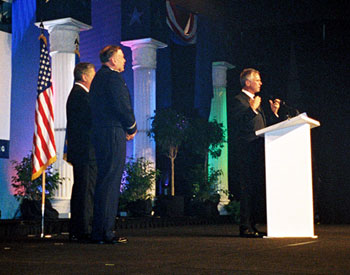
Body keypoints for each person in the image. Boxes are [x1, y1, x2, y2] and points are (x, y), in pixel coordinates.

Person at [89, 45, 137, 244]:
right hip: (112, 133)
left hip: (101, 133)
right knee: (111, 182)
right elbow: (122, 106)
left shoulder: (99, 78)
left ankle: (99, 231)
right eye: (122, 57)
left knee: (104, 182)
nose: (125, 61)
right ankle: (106, 232)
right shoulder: (114, 78)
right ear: (112, 60)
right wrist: (132, 127)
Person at [231, 68, 281, 238]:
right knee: (247, 189)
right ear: (247, 82)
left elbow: (264, 126)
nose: (260, 82)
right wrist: (251, 110)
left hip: (258, 149)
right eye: (257, 80)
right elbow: (238, 123)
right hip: (246, 151)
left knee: (256, 189)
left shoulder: (256, 102)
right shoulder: (239, 100)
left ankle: (253, 225)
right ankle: (245, 227)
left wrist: (273, 113)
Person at [66, 62, 97, 242]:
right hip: (86, 152)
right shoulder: (80, 96)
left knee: (82, 190)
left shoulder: (78, 95)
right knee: (84, 191)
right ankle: (83, 230)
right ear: (84, 77)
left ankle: (80, 229)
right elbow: (90, 123)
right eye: (92, 75)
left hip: (83, 152)